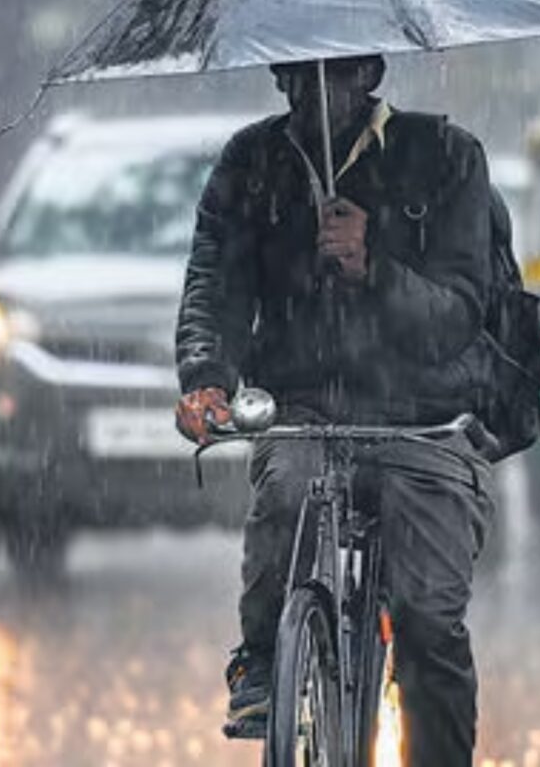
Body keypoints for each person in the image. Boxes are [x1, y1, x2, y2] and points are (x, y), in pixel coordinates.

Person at [173, 54, 497, 764]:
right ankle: (262, 662)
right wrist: (206, 376)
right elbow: (215, 282)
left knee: (427, 623)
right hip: (305, 405)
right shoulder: (252, 161)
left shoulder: (446, 157)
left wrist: (373, 264)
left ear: (370, 75)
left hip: (425, 415)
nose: (306, 93)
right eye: (292, 76)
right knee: (285, 490)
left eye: (330, 76)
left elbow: (462, 315)